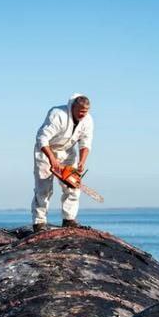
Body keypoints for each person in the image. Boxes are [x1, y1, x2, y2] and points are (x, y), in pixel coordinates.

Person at [31, 94, 94, 232]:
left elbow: (85, 143)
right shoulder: (57, 114)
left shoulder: (88, 120)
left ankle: (69, 220)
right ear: (73, 107)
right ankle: (39, 222)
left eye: (86, 111)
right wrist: (52, 160)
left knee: (73, 185)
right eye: (80, 111)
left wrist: (82, 162)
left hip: (67, 152)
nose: (83, 114)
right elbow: (42, 138)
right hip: (46, 150)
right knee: (44, 189)